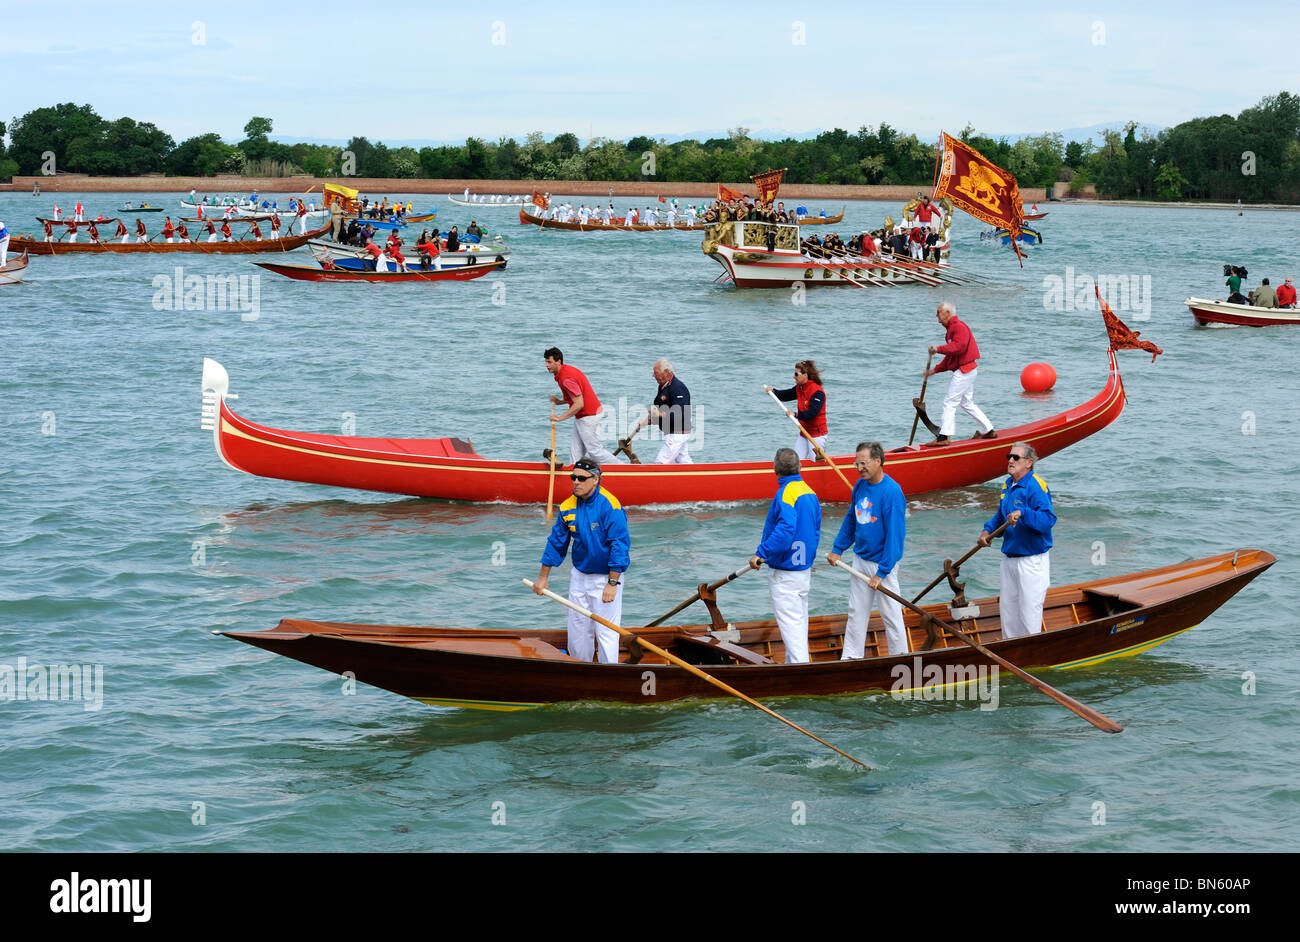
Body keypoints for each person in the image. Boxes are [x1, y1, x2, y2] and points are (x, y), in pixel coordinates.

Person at [533, 458, 630, 664]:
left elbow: (619, 545)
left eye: (581, 478)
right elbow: (556, 543)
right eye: (573, 477)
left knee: (606, 632)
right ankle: (581, 669)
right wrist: (543, 578)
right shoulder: (568, 506)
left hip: (606, 577)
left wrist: (613, 583)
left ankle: (610, 673)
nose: (576, 482)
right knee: (577, 630)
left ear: (595, 480)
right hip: (579, 575)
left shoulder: (610, 506)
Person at [826, 442, 907, 657]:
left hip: (883, 564)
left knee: (891, 614)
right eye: (857, 463)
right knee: (856, 612)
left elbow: (895, 536)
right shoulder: (860, 486)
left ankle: (900, 656)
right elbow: (852, 520)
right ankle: (852, 657)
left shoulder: (892, 492)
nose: (859, 468)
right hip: (860, 560)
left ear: (878, 461)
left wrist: (882, 572)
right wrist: (838, 548)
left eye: (863, 463)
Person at [749, 448, 822, 664]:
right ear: (799, 467)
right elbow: (816, 530)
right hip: (803, 571)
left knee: (792, 629)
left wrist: (760, 554)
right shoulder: (809, 491)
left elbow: (786, 529)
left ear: (775, 470)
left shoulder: (785, 494)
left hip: (785, 573)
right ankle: (795, 665)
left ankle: (801, 673)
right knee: (798, 627)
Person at [978, 442, 1056, 639]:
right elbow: (1000, 516)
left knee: (1029, 612)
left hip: (1032, 561)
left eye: (1015, 458)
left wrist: (1023, 513)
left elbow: (1048, 520)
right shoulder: (1008, 484)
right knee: (1009, 613)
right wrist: (987, 531)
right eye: (1009, 457)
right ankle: (1010, 652)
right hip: (1010, 559)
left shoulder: (1036, 485)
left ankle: (1032, 653)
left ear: (1028, 463)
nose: (1010, 460)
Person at [924, 301, 995, 446]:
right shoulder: (951, 330)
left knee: (949, 402)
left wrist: (938, 349)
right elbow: (951, 356)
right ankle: (988, 429)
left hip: (965, 370)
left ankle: (944, 437)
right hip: (966, 370)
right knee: (966, 403)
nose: (936, 315)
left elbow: (959, 347)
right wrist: (934, 370)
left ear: (947, 313)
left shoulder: (958, 327)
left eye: (939, 312)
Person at [545, 347, 625, 465]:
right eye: (546, 362)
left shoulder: (566, 378)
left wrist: (560, 418)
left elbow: (579, 404)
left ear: (558, 362)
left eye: (549, 362)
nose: (547, 365)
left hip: (589, 416)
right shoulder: (566, 371)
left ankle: (623, 468)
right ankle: (574, 476)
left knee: (595, 452)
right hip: (583, 416)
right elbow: (575, 396)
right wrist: (559, 401)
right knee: (575, 453)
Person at [630, 358, 692, 464]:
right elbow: (660, 413)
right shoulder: (663, 387)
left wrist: (658, 414)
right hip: (673, 432)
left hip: (677, 433)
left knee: (661, 463)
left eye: (656, 373)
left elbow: (680, 413)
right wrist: (646, 422)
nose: (653, 375)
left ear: (666, 372)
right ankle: (697, 479)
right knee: (684, 461)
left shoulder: (678, 388)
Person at [765, 360, 827, 461]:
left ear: (805, 375)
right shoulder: (800, 388)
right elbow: (786, 395)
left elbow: (812, 413)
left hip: (817, 435)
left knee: (816, 463)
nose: (794, 376)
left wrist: (795, 414)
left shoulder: (817, 392)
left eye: (796, 374)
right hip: (804, 432)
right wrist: (773, 391)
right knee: (796, 461)